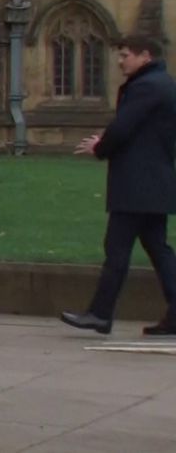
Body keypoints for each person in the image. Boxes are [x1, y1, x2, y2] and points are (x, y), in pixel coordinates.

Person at [61, 35, 176, 336]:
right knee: (158, 248)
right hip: (154, 182)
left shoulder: (146, 87)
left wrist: (100, 147)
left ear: (145, 56)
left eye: (126, 55)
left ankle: (100, 314)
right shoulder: (162, 83)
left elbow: (123, 127)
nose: (121, 61)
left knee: (117, 249)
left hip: (137, 184)